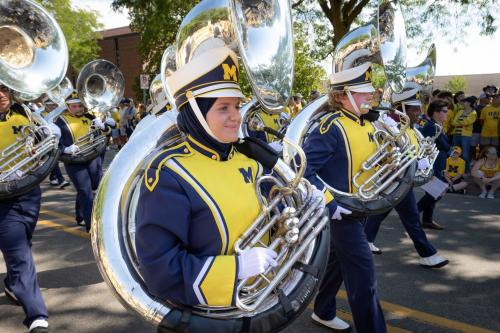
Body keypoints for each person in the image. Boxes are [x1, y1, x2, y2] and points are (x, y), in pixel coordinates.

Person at [135, 46, 296, 309]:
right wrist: (234, 269)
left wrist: (299, 203)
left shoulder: (250, 162)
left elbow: (272, 221)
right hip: (204, 316)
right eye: (223, 108)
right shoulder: (169, 172)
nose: (236, 116)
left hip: (260, 302)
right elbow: (159, 270)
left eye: (236, 106)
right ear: (196, 113)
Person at [302, 62, 389, 332]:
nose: (369, 97)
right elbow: (301, 171)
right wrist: (330, 202)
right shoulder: (330, 127)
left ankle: (324, 310)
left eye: (368, 92)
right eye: (362, 93)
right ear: (342, 95)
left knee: (338, 263)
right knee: (365, 278)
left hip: (362, 209)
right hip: (341, 215)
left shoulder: (365, 123)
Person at [364, 85, 449, 268]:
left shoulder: (412, 129)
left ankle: (366, 240)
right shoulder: (389, 127)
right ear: (401, 109)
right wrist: (415, 163)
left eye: (419, 109)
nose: (418, 113)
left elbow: (417, 151)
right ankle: (428, 254)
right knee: (412, 220)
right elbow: (387, 154)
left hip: (403, 180)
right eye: (414, 109)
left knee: (380, 213)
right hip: (394, 180)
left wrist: (423, 160)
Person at [0, 84, 51, 333]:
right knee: (20, 253)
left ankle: (12, 283)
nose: (0, 95)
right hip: (2, 200)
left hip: (30, 192)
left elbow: (46, 145)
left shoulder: (26, 114)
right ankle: (36, 317)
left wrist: (51, 137)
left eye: (2, 88)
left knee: (22, 243)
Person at [55, 91, 114, 232]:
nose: (78, 109)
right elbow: (53, 144)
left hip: (92, 157)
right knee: (85, 192)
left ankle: (80, 214)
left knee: (92, 186)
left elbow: (107, 134)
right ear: (68, 106)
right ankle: (91, 226)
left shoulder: (90, 117)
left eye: (80, 106)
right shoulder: (59, 122)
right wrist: (65, 149)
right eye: (74, 106)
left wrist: (104, 127)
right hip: (74, 161)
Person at [417, 99, 452, 230]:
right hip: (432, 165)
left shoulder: (437, 126)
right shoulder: (431, 126)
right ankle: (413, 215)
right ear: (436, 113)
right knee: (436, 192)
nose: (447, 114)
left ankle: (427, 220)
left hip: (438, 164)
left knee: (432, 193)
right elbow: (423, 147)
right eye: (444, 111)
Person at [42, 98, 70, 189]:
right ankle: (61, 180)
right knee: (54, 158)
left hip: (59, 138)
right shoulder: (40, 114)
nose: (54, 106)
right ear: (46, 105)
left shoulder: (58, 112)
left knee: (55, 159)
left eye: (54, 104)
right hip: (46, 139)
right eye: (51, 105)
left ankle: (53, 177)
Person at [451, 96, 477, 173]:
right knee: (455, 153)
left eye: (465, 101)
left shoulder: (473, 112)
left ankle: (467, 171)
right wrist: (461, 122)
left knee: (465, 154)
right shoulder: (460, 111)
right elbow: (453, 123)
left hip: (466, 136)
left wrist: (459, 121)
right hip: (456, 134)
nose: (463, 103)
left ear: (469, 103)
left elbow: (467, 122)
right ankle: (457, 171)